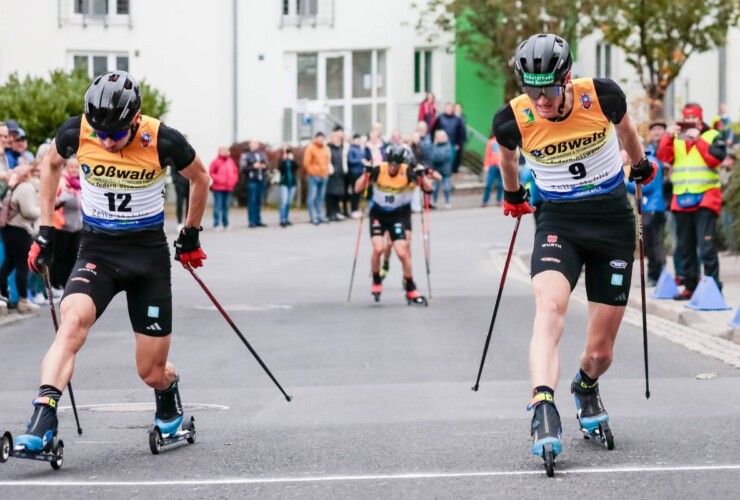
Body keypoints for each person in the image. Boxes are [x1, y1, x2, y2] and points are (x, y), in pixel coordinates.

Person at [16, 70, 210, 454]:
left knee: (150, 371)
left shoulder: (163, 139)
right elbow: (50, 165)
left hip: (147, 258)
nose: (106, 141)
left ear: (135, 119)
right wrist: (45, 230)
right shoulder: (77, 132)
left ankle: (168, 392)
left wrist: (190, 232)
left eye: (116, 134)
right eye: (100, 133)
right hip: (98, 250)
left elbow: (200, 178)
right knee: (71, 323)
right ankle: (42, 416)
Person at [492, 34, 656, 466]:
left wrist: (639, 166)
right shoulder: (513, 118)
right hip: (558, 222)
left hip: (611, 222)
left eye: (547, 88)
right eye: (531, 88)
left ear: (566, 79)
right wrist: (513, 196)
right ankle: (542, 405)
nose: (540, 99)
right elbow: (507, 159)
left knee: (600, 353)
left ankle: (584, 387)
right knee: (549, 311)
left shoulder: (601, 95)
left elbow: (628, 134)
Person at [656, 103, 727, 299]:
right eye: (686, 119)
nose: (689, 122)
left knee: (706, 247)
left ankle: (713, 287)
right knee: (684, 246)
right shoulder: (677, 138)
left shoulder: (712, 135)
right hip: (682, 198)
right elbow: (664, 158)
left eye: (692, 118)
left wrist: (698, 141)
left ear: (700, 119)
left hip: (706, 197)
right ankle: (690, 286)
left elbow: (715, 159)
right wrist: (667, 137)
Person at [354, 144, 436, 306]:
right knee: (378, 248)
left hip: (396, 216)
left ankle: (410, 287)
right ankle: (377, 280)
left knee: (402, 252)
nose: (392, 168)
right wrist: (366, 173)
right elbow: (358, 189)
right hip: (378, 214)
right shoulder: (379, 169)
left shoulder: (406, 171)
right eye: (391, 163)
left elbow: (428, 189)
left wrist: (422, 175)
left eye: (396, 165)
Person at [0, 162, 41, 313]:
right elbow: (29, 212)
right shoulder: (26, 188)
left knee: (9, 263)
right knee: (23, 265)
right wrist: (42, 208)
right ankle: (23, 300)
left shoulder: (15, 187)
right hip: (20, 230)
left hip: (8, 229)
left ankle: (4, 292)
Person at [625, 149, 666, 286]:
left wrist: (625, 183)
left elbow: (646, 186)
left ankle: (657, 275)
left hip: (653, 208)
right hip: (647, 207)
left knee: (653, 244)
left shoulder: (650, 161)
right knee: (649, 244)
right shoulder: (643, 160)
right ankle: (654, 275)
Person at [49, 156, 83, 293]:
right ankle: (55, 284)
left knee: (72, 257)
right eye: (71, 167)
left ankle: (66, 284)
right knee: (59, 256)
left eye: (76, 167)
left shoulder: (79, 183)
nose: (74, 169)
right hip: (62, 226)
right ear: (66, 168)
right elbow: (54, 202)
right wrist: (64, 196)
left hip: (76, 226)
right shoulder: (63, 182)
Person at [303, 131, 331, 225]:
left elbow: (327, 161)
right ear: (315, 138)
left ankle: (320, 215)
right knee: (312, 197)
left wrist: (326, 171)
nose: (321, 140)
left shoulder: (325, 148)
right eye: (319, 138)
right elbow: (306, 163)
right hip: (314, 176)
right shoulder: (310, 148)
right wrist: (313, 172)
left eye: (322, 138)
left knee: (320, 198)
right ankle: (313, 216)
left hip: (324, 176)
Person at [208, 147, 239, 231]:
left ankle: (226, 223)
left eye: (226, 150)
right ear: (219, 152)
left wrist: (233, 181)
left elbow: (235, 172)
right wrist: (219, 179)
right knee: (218, 206)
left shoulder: (230, 161)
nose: (225, 152)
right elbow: (211, 172)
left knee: (226, 206)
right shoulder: (215, 162)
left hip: (229, 187)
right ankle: (216, 224)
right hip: (218, 187)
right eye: (223, 151)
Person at [240, 141, 268, 228]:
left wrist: (264, 166)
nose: (256, 145)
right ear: (250, 145)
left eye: (257, 143)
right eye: (254, 143)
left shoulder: (262, 154)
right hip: (251, 180)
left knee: (258, 201)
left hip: (261, 179)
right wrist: (253, 166)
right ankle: (251, 221)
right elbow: (243, 168)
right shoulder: (246, 155)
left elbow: (267, 165)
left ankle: (258, 220)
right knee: (252, 201)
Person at [326, 127, 347, 222]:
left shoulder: (341, 148)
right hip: (332, 174)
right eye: (334, 138)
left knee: (337, 195)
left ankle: (336, 212)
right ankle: (330, 213)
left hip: (340, 174)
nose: (336, 140)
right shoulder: (328, 147)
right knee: (330, 195)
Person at [430, 129, 453, 209]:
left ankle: (447, 202)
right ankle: (434, 202)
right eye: (439, 136)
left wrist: (438, 156)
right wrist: (439, 156)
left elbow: (445, 157)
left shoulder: (448, 145)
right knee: (435, 188)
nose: (440, 138)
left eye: (442, 136)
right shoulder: (434, 145)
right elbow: (432, 156)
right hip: (436, 170)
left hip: (445, 170)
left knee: (446, 187)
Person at [277, 146, 299, 227]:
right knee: (284, 202)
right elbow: (280, 168)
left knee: (289, 202)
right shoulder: (281, 160)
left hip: (292, 183)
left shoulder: (293, 160)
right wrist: (284, 159)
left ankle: (286, 218)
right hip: (284, 183)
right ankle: (282, 219)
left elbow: (297, 167)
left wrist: (292, 160)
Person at [346, 134, 367, 218]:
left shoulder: (361, 149)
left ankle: (357, 209)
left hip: (360, 173)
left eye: (359, 139)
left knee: (358, 193)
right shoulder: (351, 149)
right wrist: (360, 161)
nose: (358, 141)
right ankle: (353, 209)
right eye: (356, 139)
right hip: (354, 173)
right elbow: (350, 160)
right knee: (355, 192)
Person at [481, 133, 502, 207]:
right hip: (492, 166)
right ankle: (485, 201)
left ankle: (499, 200)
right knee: (489, 184)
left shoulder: (504, 142)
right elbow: (487, 154)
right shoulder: (491, 142)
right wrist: (486, 165)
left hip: (502, 166)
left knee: (501, 185)